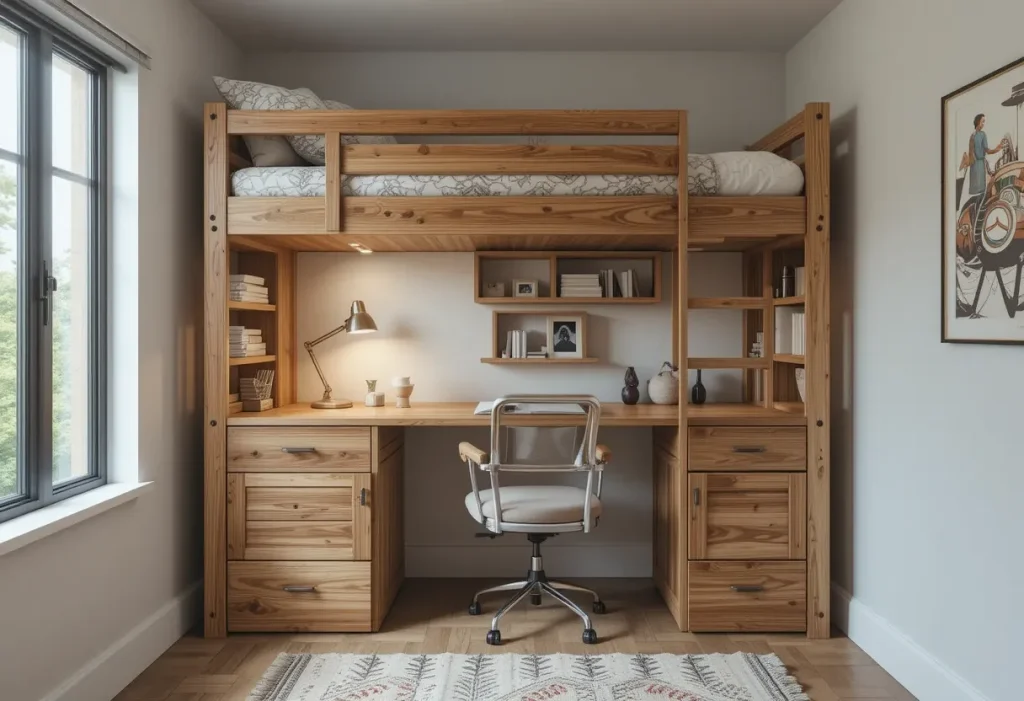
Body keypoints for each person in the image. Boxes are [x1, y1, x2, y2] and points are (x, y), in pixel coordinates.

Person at [966, 114, 1006, 196]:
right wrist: (997, 149)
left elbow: (985, 150)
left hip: (977, 164)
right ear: (978, 122)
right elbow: (981, 151)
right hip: (976, 165)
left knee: (979, 191)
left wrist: (997, 149)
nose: (983, 124)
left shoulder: (979, 135)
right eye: (982, 121)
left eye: (984, 122)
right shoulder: (975, 135)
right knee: (977, 191)